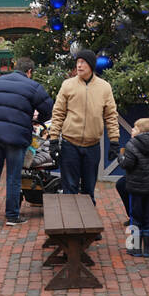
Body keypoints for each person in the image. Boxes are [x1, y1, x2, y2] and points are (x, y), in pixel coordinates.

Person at [0, 57, 53, 227]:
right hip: (16, 135)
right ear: (29, 72)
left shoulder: (0, 82)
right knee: (13, 176)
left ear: (15, 68)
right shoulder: (33, 86)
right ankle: (12, 215)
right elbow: (48, 109)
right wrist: (37, 121)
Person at [49, 49, 120, 204]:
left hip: (92, 145)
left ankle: (89, 226)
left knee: (89, 189)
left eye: (83, 62)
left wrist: (114, 141)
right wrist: (54, 139)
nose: (79, 65)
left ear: (91, 65)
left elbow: (111, 115)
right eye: (78, 62)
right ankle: (71, 223)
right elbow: (58, 113)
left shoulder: (104, 87)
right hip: (70, 144)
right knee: (70, 189)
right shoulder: (68, 85)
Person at [118, 118, 149, 259]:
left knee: (135, 217)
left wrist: (120, 158)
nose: (132, 130)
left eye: (134, 128)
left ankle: (135, 248)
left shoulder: (131, 145)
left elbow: (127, 165)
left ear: (141, 132)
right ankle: (148, 248)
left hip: (135, 187)